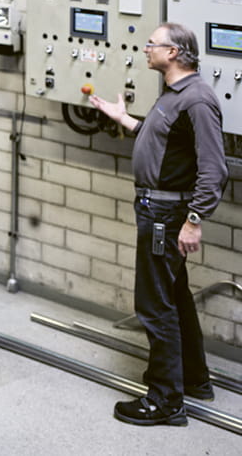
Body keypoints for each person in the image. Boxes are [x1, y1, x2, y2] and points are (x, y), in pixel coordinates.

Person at [90, 22, 227, 427]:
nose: (146, 48)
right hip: (159, 211)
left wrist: (194, 220)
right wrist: (125, 119)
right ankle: (194, 380)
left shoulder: (197, 100)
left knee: (154, 304)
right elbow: (166, 143)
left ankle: (166, 401)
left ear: (175, 53)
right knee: (176, 298)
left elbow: (213, 168)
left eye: (153, 44)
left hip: (166, 216)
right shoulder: (174, 95)